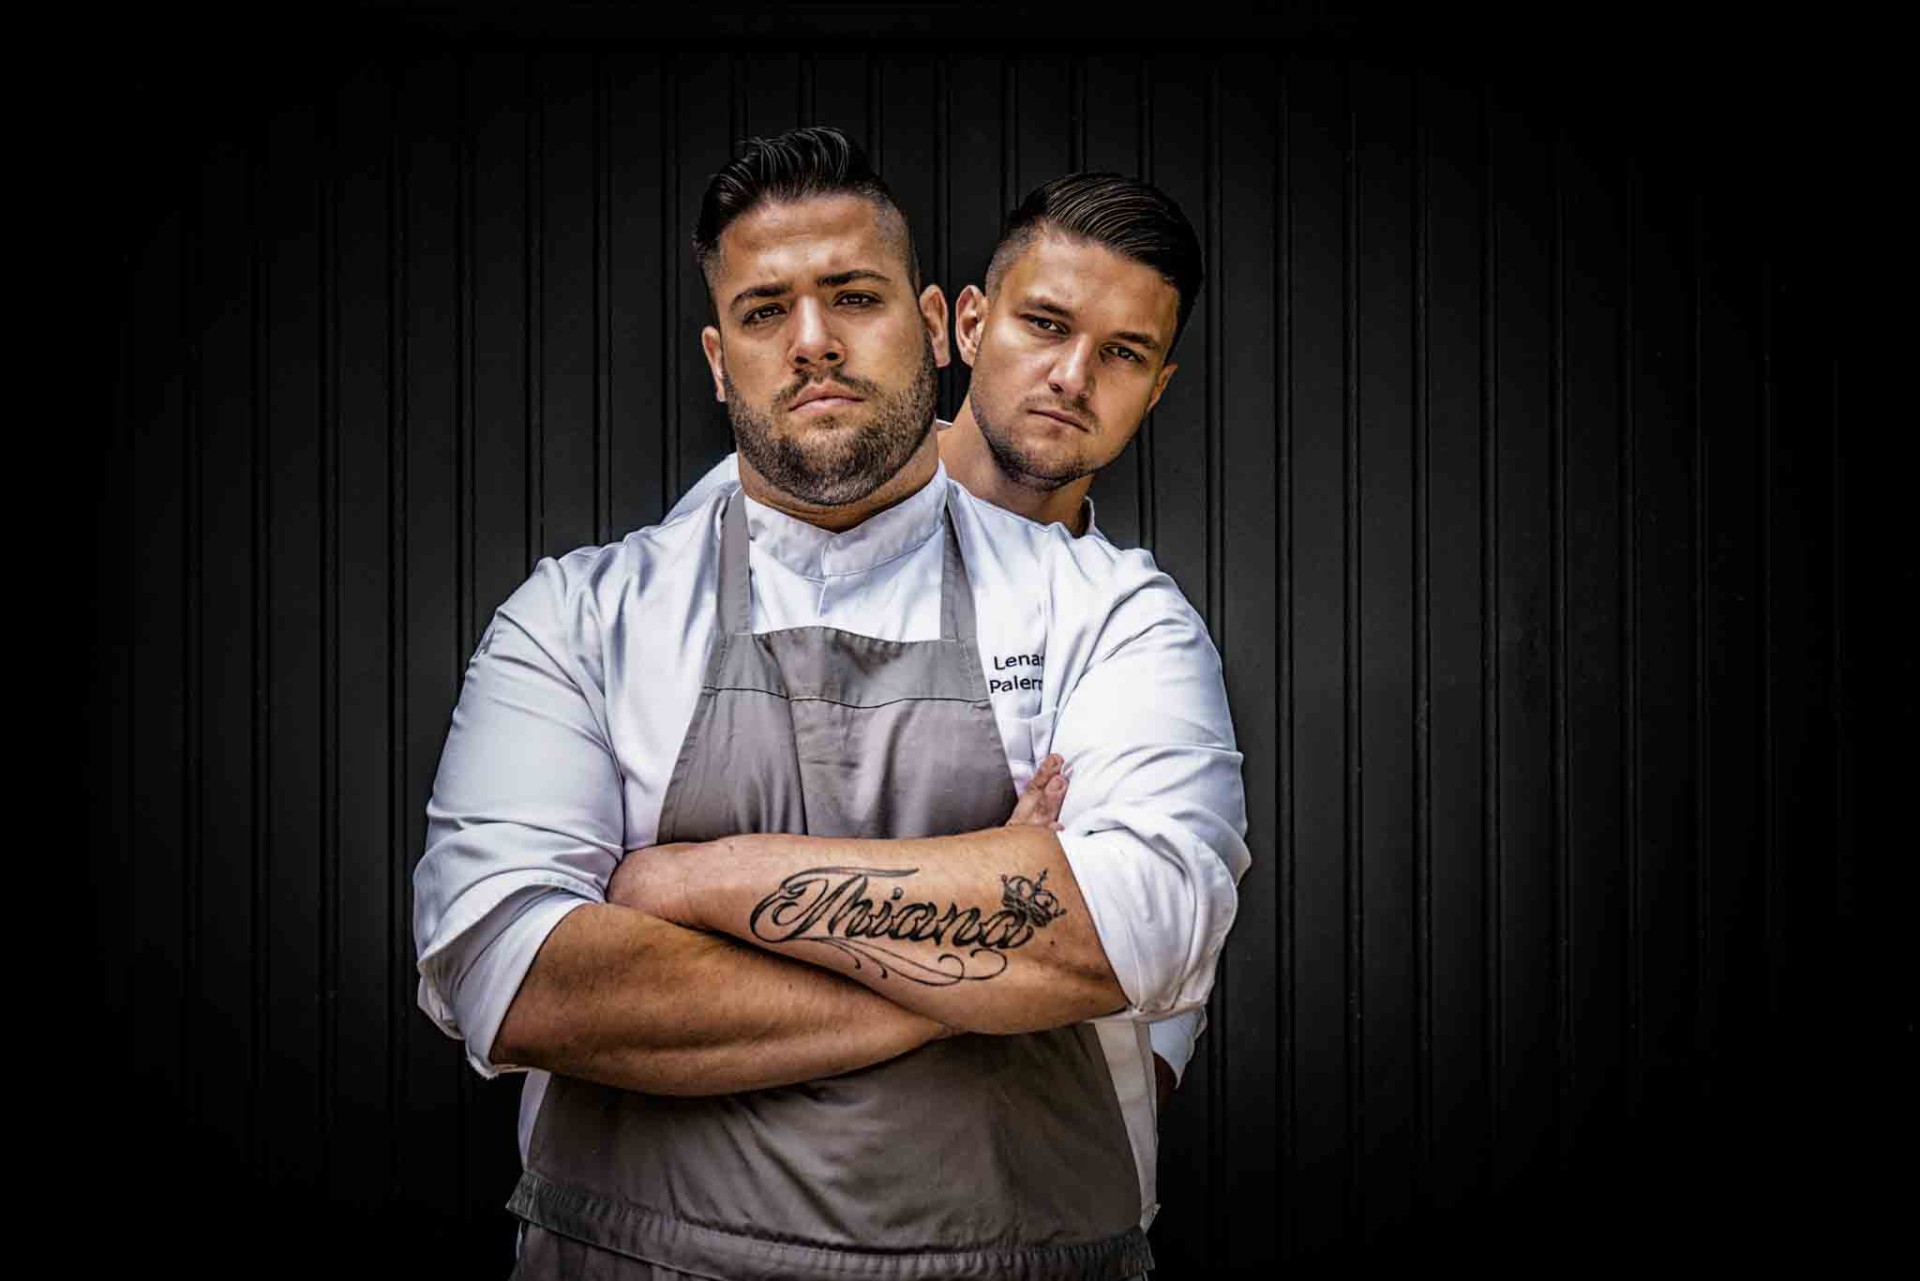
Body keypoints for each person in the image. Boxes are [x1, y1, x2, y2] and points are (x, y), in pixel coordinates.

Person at [412, 126, 1247, 1280]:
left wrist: (691, 883)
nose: (813, 341)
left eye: (854, 296)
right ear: (718, 361)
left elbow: (1142, 926)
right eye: (766, 312)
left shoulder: (1111, 612)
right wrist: (998, 961)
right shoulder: (581, 617)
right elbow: (511, 978)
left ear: (931, 323)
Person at [668, 169, 1215, 1107]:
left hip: (1029, 1165)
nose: (1073, 377)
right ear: (964, 324)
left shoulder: (1129, 629)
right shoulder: (748, 517)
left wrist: (698, 883)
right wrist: (1000, 890)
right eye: (1045, 324)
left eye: (1124, 353)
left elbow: (1134, 956)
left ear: (1158, 388)